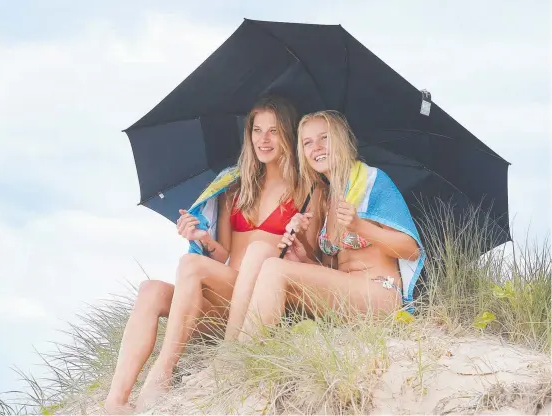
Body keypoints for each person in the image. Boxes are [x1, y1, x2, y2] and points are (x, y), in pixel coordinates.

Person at [104, 95, 311, 413]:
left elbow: (313, 259)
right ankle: (115, 402)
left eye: (273, 130)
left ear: (288, 134)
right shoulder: (235, 187)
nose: (264, 139)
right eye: (257, 130)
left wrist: (299, 245)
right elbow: (222, 254)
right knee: (152, 291)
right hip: (224, 295)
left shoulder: (307, 191)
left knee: (191, 264)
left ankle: (164, 371)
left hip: (259, 303)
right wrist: (202, 238)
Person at [235, 110, 426, 342]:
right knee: (262, 252)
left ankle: (240, 360)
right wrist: (302, 256)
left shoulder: (372, 181)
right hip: (347, 294)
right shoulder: (328, 199)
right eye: (307, 142)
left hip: (379, 294)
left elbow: (411, 249)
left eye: (324, 138)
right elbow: (332, 271)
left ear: (340, 139)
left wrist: (359, 227)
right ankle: (229, 351)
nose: (316, 147)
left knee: (276, 269)